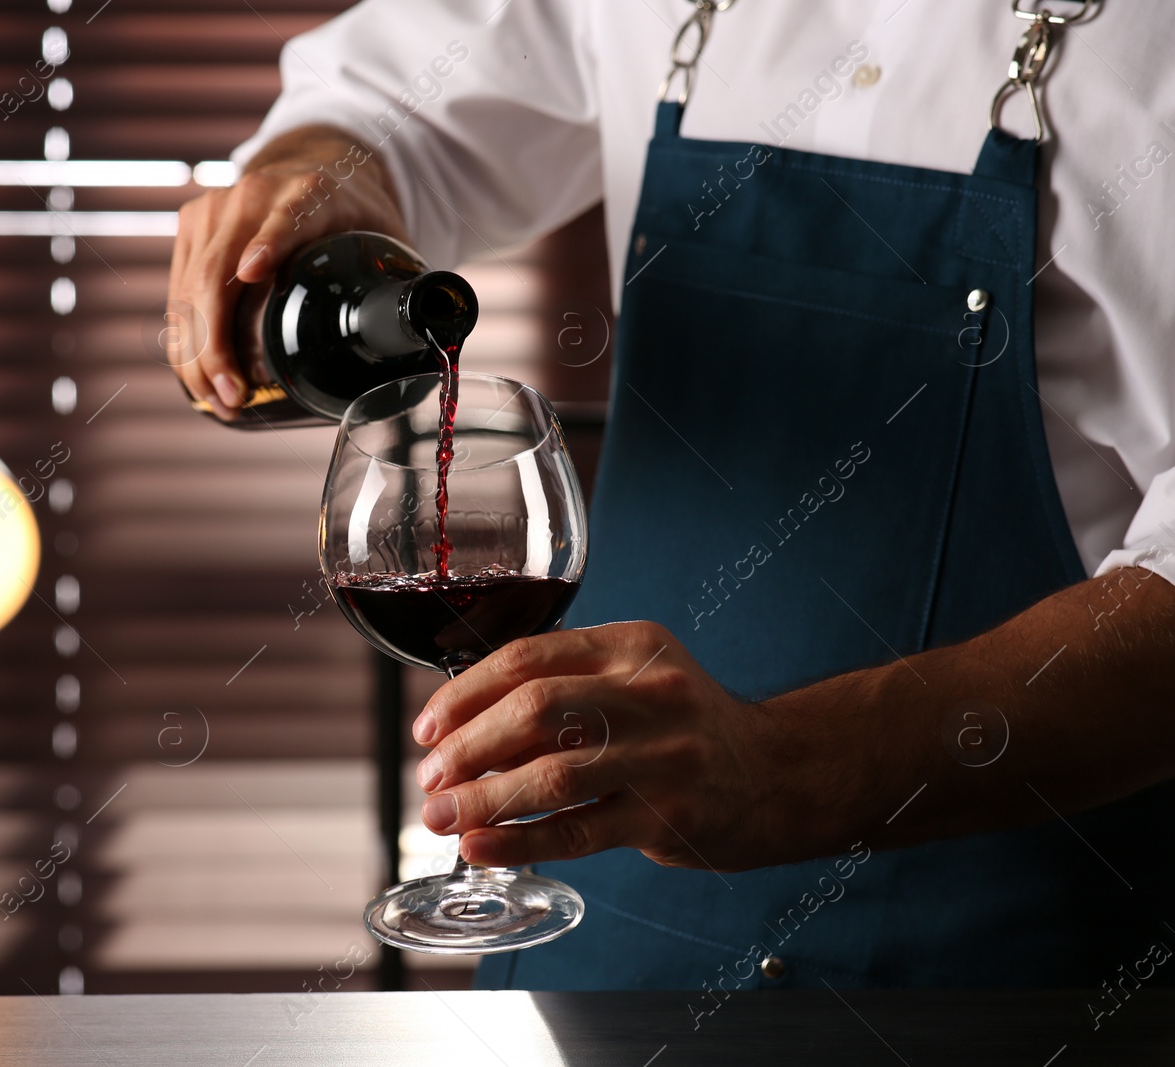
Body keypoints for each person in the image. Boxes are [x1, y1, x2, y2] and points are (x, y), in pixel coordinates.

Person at [165, 0, 1175, 992]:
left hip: (1008, 975)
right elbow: (398, 103)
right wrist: (316, 175)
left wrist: (783, 761)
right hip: (600, 943)